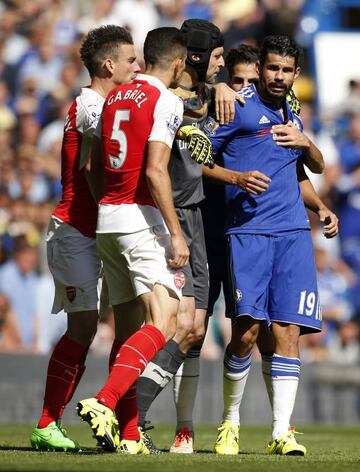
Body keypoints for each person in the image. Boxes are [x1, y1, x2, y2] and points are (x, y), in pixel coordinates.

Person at [208, 35, 336, 457]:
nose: (278, 76)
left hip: (294, 234)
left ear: (296, 73)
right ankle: (230, 422)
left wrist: (319, 205)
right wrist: (236, 179)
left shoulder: (292, 112)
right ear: (260, 67)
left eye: (286, 70)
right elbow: (195, 155)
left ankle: (282, 431)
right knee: (245, 334)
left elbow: (307, 167)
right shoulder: (238, 106)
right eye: (272, 68)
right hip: (248, 233)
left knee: (288, 330)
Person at [76, 26, 192, 455]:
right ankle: (105, 402)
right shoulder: (165, 100)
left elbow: (90, 166)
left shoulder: (114, 97)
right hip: (138, 219)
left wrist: (109, 204)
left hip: (108, 217)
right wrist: (175, 233)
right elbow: (156, 171)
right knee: (165, 319)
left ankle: (128, 436)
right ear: (178, 63)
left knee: (127, 332)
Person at [30, 25, 141, 452]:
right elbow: (95, 170)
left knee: (117, 327)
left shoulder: (108, 103)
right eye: (131, 60)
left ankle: (126, 426)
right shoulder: (91, 106)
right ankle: (46, 422)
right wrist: (115, 208)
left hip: (102, 233)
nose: (138, 68)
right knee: (83, 326)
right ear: (109, 64)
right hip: (77, 230)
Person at [134, 19, 231, 454]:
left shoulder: (205, 96)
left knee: (190, 327)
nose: (222, 65)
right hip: (172, 219)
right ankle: (127, 412)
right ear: (191, 57)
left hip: (193, 217)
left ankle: (131, 413)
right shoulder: (162, 101)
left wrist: (224, 85)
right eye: (217, 58)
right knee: (170, 323)